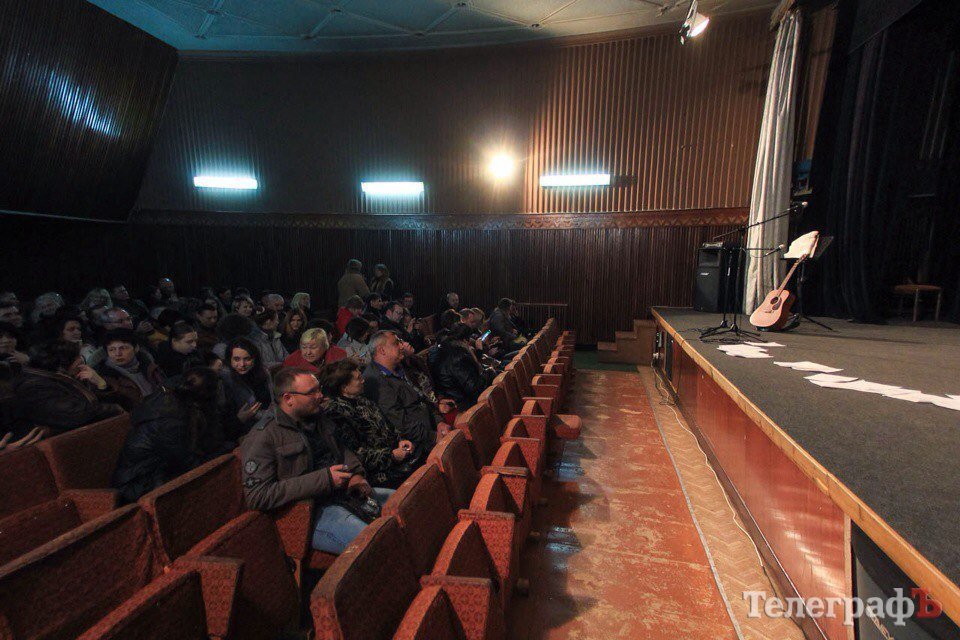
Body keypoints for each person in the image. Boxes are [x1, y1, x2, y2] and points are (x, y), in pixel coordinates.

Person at [240, 367, 393, 553]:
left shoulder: (318, 416)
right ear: (288, 398)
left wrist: (356, 474)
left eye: (319, 389)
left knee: (406, 505)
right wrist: (325, 479)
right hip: (308, 513)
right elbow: (258, 496)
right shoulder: (263, 437)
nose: (320, 395)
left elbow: (341, 448)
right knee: (380, 545)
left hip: (342, 494)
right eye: (312, 392)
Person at [113, 367, 231, 503]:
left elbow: (210, 440)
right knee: (214, 476)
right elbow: (188, 463)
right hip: (138, 483)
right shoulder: (170, 420)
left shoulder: (181, 400)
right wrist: (227, 451)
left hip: (160, 470)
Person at [323, 360, 416, 488]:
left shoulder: (363, 399)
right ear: (344, 387)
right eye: (358, 378)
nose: (363, 380)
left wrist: (401, 440)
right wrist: (391, 456)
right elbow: (356, 454)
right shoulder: (336, 413)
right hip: (378, 474)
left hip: (398, 458)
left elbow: (387, 426)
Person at [362, 331, 449, 462]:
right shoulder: (375, 380)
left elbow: (422, 397)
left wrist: (438, 422)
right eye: (396, 343)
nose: (402, 346)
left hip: (431, 431)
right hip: (418, 447)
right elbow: (399, 420)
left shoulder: (399, 367)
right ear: (382, 350)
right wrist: (432, 437)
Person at [12, 340, 123, 434]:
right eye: (79, 358)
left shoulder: (63, 378)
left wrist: (101, 384)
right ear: (62, 366)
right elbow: (77, 413)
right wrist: (114, 409)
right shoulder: (35, 387)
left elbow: (95, 401)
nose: (82, 363)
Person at [427, 323, 495, 408]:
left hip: (458, 395)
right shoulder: (457, 356)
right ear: (465, 340)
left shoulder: (447, 349)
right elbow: (474, 388)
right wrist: (490, 371)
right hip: (462, 401)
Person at [96, 329, 165, 410]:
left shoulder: (149, 366)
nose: (118, 354)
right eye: (112, 349)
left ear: (136, 348)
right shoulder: (106, 377)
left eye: (123, 348)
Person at [220, 337, 273, 440]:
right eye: (236, 359)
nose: (242, 364)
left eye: (247, 359)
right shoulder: (225, 380)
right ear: (229, 359)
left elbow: (271, 400)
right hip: (241, 433)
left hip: (267, 424)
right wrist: (239, 419)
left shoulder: (263, 373)